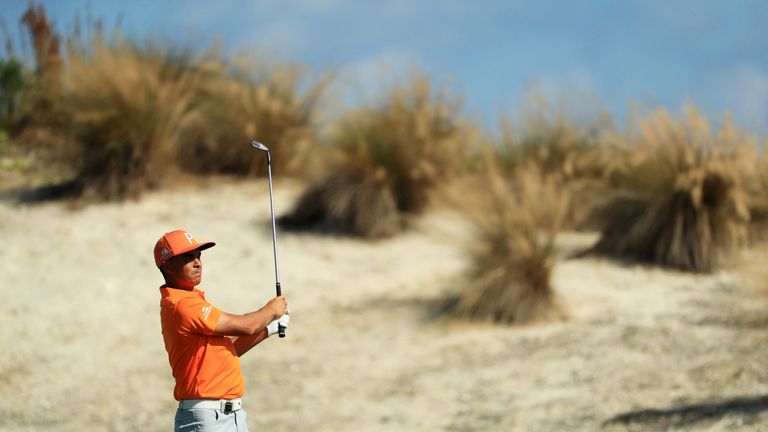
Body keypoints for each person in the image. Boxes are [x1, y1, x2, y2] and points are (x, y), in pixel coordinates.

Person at [154, 229, 289, 432]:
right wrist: (271, 310)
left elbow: (229, 350)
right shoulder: (181, 305)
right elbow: (246, 325)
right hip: (207, 419)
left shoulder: (192, 301)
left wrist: (269, 328)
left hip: (230, 417)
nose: (198, 263)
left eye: (198, 256)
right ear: (167, 265)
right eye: (188, 258)